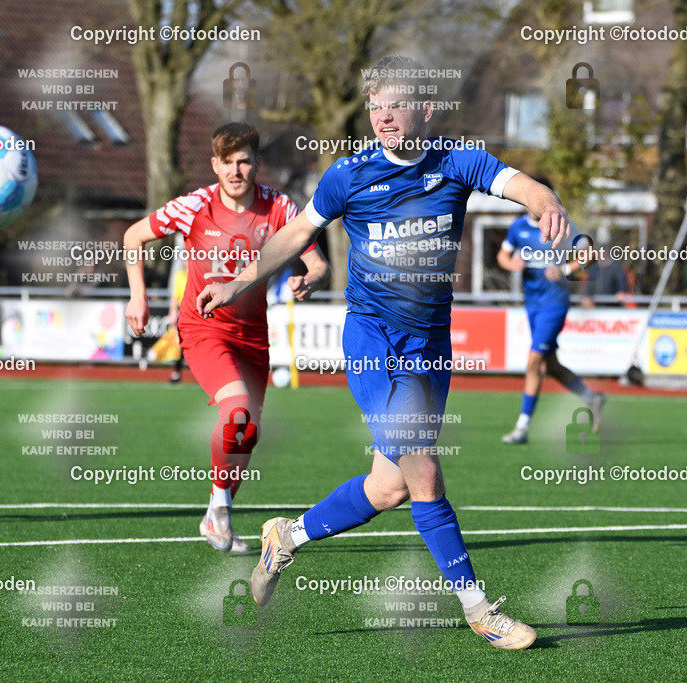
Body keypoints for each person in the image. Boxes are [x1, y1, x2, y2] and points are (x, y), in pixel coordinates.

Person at [198, 56, 570, 650]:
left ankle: (286, 537)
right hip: (375, 342)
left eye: (395, 105)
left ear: (424, 107)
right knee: (424, 474)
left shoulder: (457, 161)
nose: (384, 117)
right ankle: (480, 610)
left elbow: (518, 183)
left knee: (389, 487)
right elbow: (296, 235)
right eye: (375, 107)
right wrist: (242, 281)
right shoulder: (349, 175)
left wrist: (545, 200)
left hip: (430, 344)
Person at [123, 122, 330, 552]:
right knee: (236, 410)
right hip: (203, 329)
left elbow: (319, 263)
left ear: (257, 163)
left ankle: (216, 516)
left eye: (244, 161)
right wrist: (138, 298)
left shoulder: (280, 208)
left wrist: (308, 279)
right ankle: (219, 509)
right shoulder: (195, 205)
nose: (236, 170)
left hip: (253, 335)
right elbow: (133, 236)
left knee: (247, 432)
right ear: (215, 165)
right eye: (228, 162)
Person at [496, 179, 604, 445]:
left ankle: (522, 427)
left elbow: (588, 254)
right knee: (549, 364)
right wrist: (512, 264)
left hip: (554, 304)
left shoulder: (561, 227)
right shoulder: (518, 227)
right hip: (532, 303)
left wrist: (565, 270)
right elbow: (502, 256)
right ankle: (592, 398)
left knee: (534, 360)